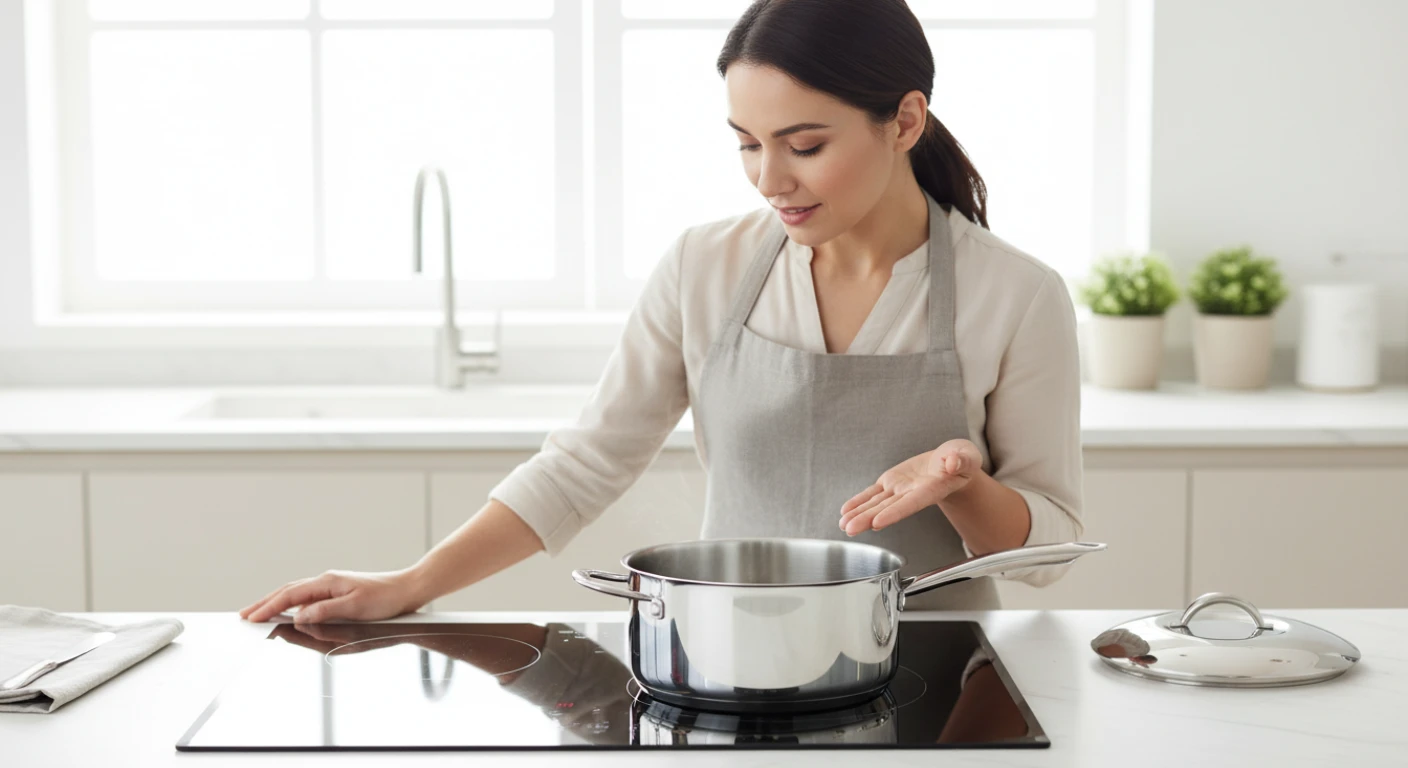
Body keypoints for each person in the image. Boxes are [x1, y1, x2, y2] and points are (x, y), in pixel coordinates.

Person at [241, 0, 1083, 625]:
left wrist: (963, 485)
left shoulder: (1015, 294)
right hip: (726, 662)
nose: (768, 179)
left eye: (806, 144)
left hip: (938, 676)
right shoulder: (704, 266)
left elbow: (1049, 551)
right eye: (747, 143)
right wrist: (410, 584)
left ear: (904, 121)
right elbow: (585, 464)